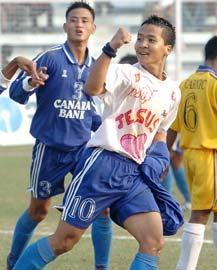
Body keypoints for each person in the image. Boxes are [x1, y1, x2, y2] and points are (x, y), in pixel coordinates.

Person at [12, 15, 182, 270]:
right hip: (102, 166)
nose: (142, 44)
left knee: (153, 241)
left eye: (151, 40)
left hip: (134, 173)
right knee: (63, 241)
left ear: (167, 49)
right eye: (140, 39)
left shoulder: (172, 92)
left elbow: (160, 130)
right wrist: (110, 48)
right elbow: (92, 88)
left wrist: (159, 154)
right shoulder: (126, 73)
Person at [7, 2, 112, 270]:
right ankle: (13, 262)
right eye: (74, 20)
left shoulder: (98, 65)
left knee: (102, 209)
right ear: (65, 26)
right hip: (49, 150)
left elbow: (92, 110)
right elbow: (16, 94)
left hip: (83, 151)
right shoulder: (50, 57)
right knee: (38, 211)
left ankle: (102, 267)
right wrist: (31, 82)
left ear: (93, 28)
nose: (79, 24)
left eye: (85, 20)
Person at [166, 35, 217, 270]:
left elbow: (173, 127)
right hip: (211, 155)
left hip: (190, 156)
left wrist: (163, 153)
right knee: (201, 212)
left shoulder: (186, 83)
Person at [161, 138, 191, 211]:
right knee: (172, 163)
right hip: (176, 132)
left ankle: (166, 205)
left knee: (166, 162)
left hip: (170, 133)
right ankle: (190, 201)